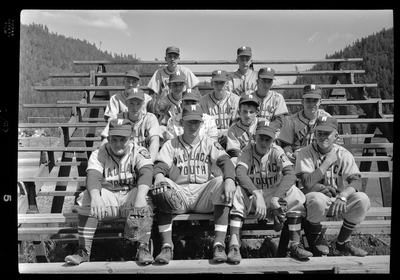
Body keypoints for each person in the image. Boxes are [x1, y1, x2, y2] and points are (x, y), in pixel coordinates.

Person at [151, 104, 238, 264]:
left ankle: (218, 244)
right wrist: (158, 176)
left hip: (203, 195)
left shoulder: (209, 143)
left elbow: (226, 161)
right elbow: (160, 165)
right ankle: (166, 246)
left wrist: (230, 179)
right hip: (179, 196)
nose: (193, 126)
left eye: (196, 122)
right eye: (189, 122)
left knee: (221, 181)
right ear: (181, 123)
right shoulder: (171, 144)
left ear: (202, 123)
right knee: (162, 187)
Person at [64, 119, 155, 265]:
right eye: (114, 139)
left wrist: (140, 196)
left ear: (131, 138)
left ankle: (143, 248)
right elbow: (93, 176)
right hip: (108, 200)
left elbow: (147, 173)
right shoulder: (99, 153)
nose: (118, 143)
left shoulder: (139, 151)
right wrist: (95, 196)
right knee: (87, 196)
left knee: (145, 196)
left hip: (130, 199)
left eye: (123, 139)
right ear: (108, 138)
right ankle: (83, 251)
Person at [228, 120, 313, 262]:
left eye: (268, 139)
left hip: (274, 195)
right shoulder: (246, 151)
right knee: (238, 193)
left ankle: (295, 244)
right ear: (254, 137)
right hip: (253, 198)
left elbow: (290, 174)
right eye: (261, 138)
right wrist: (256, 193)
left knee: (296, 193)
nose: (263, 142)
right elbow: (240, 174)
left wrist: (276, 197)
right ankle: (234, 246)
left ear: (272, 140)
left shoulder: (276, 151)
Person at [296, 116, 370, 257]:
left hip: (337, 201)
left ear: (336, 135)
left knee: (362, 199)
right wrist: (327, 162)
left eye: (327, 133)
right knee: (317, 199)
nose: (322, 136)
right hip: (312, 202)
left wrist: (343, 196)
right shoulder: (305, 152)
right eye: (319, 133)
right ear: (314, 134)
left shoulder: (343, 154)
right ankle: (317, 236)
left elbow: (356, 181)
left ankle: (343, 242)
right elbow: (306, 182)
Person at [100, 88, 161, 162]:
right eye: (131, 103)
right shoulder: (118, 118)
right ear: (126, 103)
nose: (135, 107)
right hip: (123, 160)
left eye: (138, 103)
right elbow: (105, 140)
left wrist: (149, 163)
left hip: (145, 159)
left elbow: (154, 140)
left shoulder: (150, 118)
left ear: (143, 104)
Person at [277, 84, 331, 164]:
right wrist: (288, 154)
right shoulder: (291, 121)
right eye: (308, 100)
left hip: (320, 161)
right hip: (298, 161)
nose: (311, 104)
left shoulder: (328, 119)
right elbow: (285, 144)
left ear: (320, 102)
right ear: (302, 101)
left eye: (315, 100)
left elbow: (334, 143)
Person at [199, 69, 240, 149]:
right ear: (211, 83)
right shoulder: (203, 101)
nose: (219, 86)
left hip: (231, 138)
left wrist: (227, 133)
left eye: (222, 83)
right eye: (216, 82)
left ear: (227, 84)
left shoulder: (236, 100)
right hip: (210, 138)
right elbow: (203, 126)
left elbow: (237, 124)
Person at [225, 94, 267, 165]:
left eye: (251, 112)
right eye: (245, 112)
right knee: (233, 160)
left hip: (262, 158)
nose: (248, 115)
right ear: (239, 112)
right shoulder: (233, 129)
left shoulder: (264, 123)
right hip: (243, 159)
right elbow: (234, 151)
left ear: (257, 112)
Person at [249, 67, 289, 134]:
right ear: (257, 81)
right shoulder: (249, 98)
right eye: (264, 81)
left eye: (269, 81)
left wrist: (267, 127)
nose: (266, 84)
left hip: (270, 134)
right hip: (251, 133)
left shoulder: (278, 98)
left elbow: (280, 120)